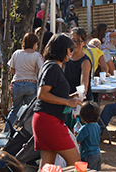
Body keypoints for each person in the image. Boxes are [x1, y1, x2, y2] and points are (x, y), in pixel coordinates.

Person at [33, 34, 83, 168]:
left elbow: (52, 93)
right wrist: (68, 102)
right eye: (70, 49)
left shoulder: (51, 66)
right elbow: (42, 94)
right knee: (76, 164)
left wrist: (70, 97)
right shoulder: (53, 67)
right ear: (63, 49)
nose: (72, 52)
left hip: (46, 119)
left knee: (47, 167)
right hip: (49, 121)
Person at [4, 33, 44, 131]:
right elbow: (41, 69)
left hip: (17, 83)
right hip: (31, 83)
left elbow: (12, 70)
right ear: (34, 43)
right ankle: (27, 132)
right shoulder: (36, 55)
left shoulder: (16, 53)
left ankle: (6, 132)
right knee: (29, 111)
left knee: (15, 109)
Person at [64, 28, 93, 102]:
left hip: (81, 101)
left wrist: (78, 103)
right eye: (73, 41)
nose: (75, 44)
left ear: (84, 43)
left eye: (78, 41)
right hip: (67, 99)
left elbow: (84, 86)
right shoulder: (65, 58)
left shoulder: (85, 62)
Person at [76, 102, 103, 170]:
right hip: (97, 153)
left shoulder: (85, 128)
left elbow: (78, 141)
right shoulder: (97, 126)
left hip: (88, 155)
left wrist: (76, 134)